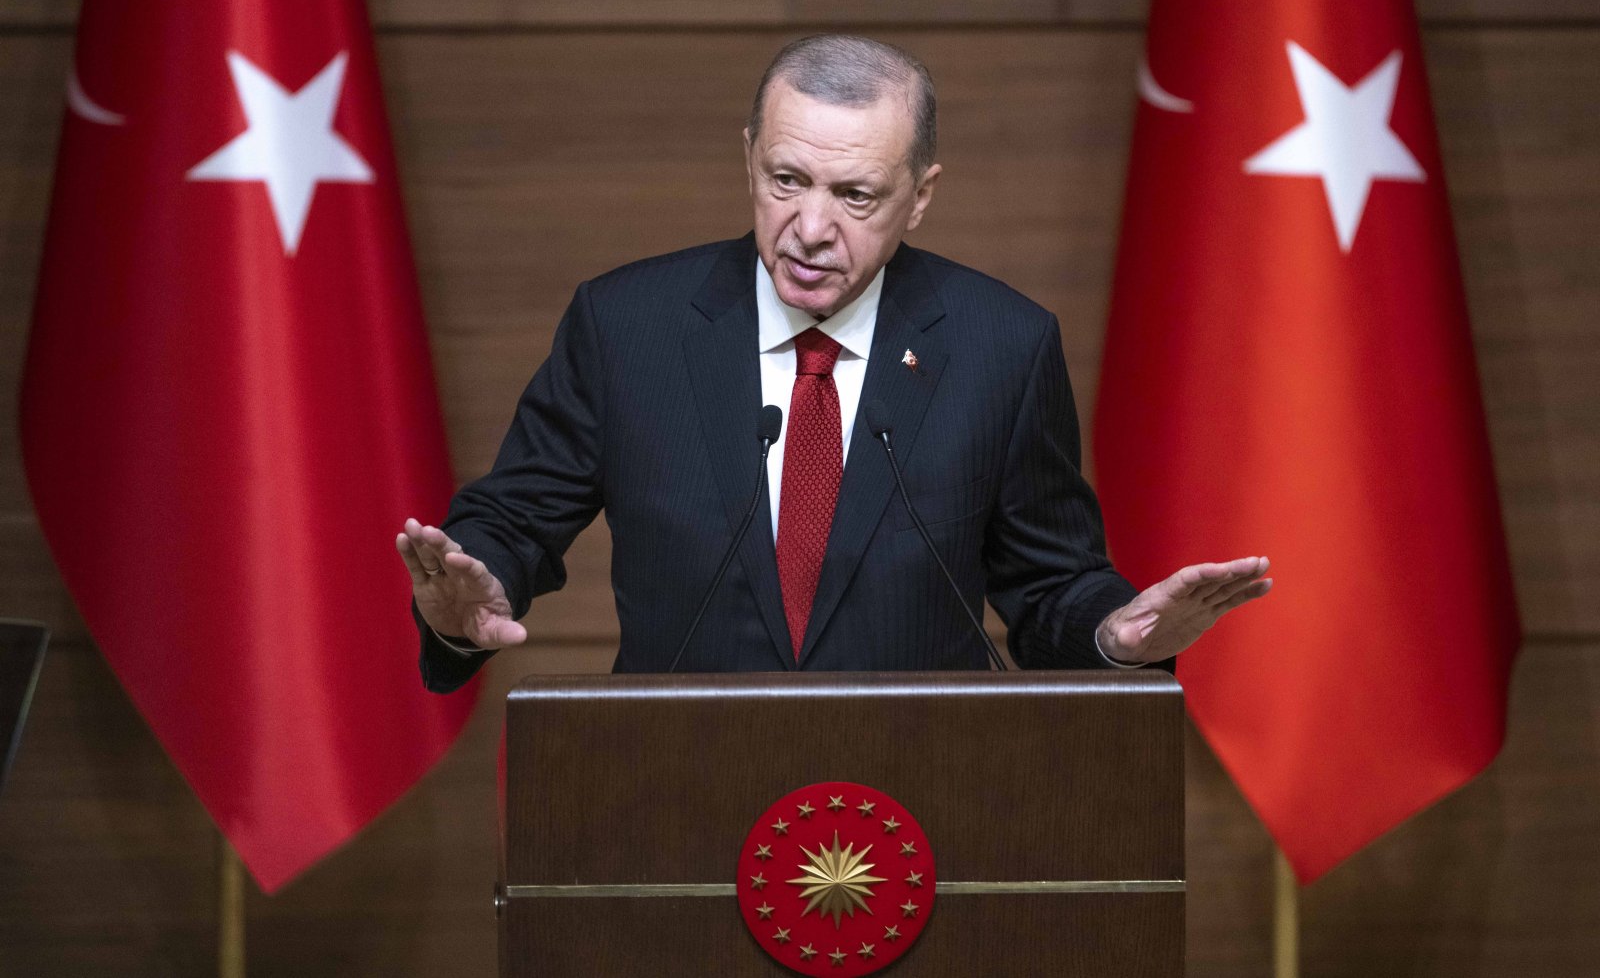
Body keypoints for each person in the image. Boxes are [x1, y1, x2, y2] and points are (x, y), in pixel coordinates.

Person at [397, 34, 1271, 693]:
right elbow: (513, 520)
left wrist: (1118, 634)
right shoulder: (628, 326)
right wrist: (468, 602)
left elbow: (1050, 586)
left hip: (924, 802)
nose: (810, 228)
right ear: (748, 157)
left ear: (920, 196)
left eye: (854, 195)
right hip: (674, 786)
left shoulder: (1001, 344)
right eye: (786, 181)